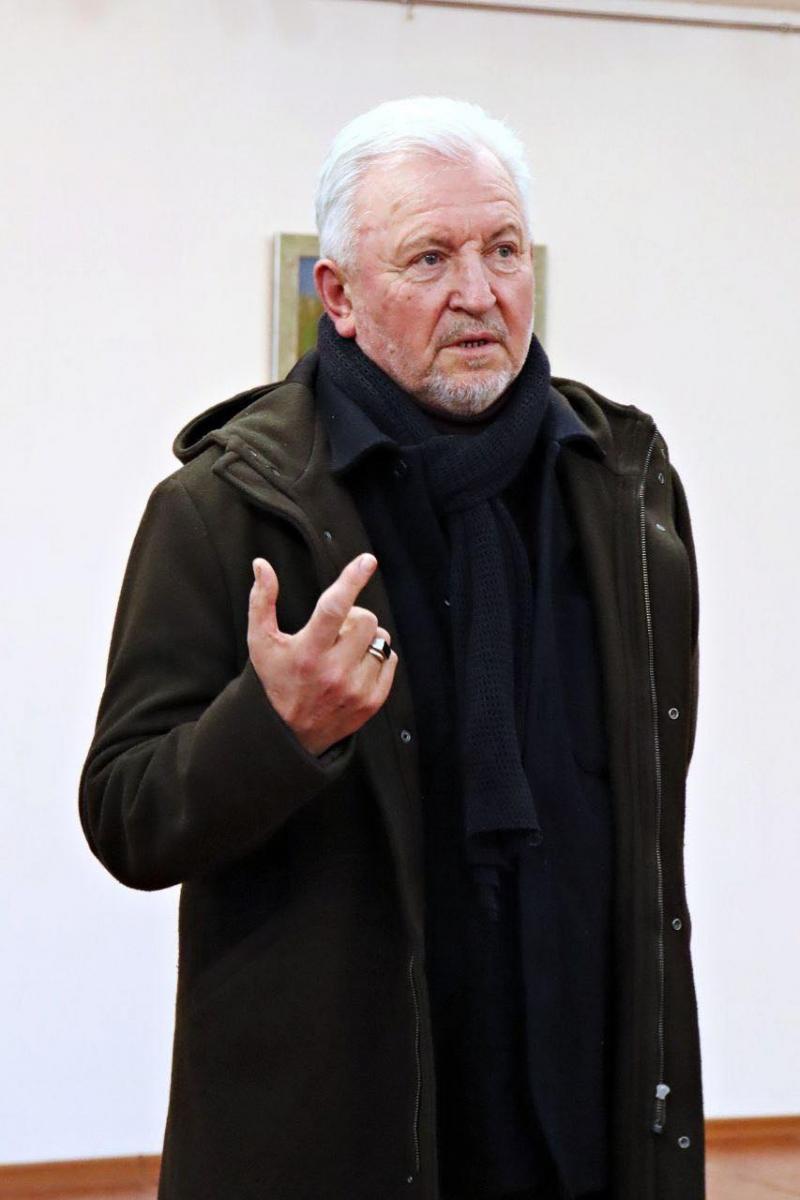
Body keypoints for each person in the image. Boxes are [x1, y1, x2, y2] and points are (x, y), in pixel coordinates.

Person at [79, 96, 704, 1200]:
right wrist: (276, 730)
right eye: (429, 258)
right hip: (338, 1134)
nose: (480, 291)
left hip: (583, 1122)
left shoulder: (622, 488)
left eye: (502, 249)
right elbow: (127, 813)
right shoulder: (227, 505)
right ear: (339, 296)